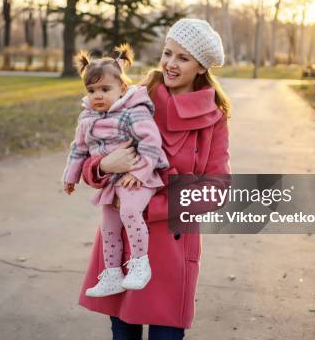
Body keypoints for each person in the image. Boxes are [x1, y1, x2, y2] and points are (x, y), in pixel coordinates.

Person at [77, 18, 232, 339]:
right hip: (123, 248)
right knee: (124, 334)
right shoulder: (131, 98)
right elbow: (87, 158)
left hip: (172, 249)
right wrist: (104, 165)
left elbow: (217, 189)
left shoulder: (213, 119)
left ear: (201, 67)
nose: (170, 64)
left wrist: (153, 207)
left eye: (183, 58)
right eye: (167, 53)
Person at [62, 44, 169, 297]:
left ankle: (140, 264)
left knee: (131, 211)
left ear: (122, 88)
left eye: (104, 89)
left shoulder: (133, 111)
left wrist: (139, 173)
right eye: (92, 90)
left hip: (138, 179)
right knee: (109, 226)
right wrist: (71, 176)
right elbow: (79, 149)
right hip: (111, 182)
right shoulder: (87, 119)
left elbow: (152, 143)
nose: (97, 95)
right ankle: (112, 273)